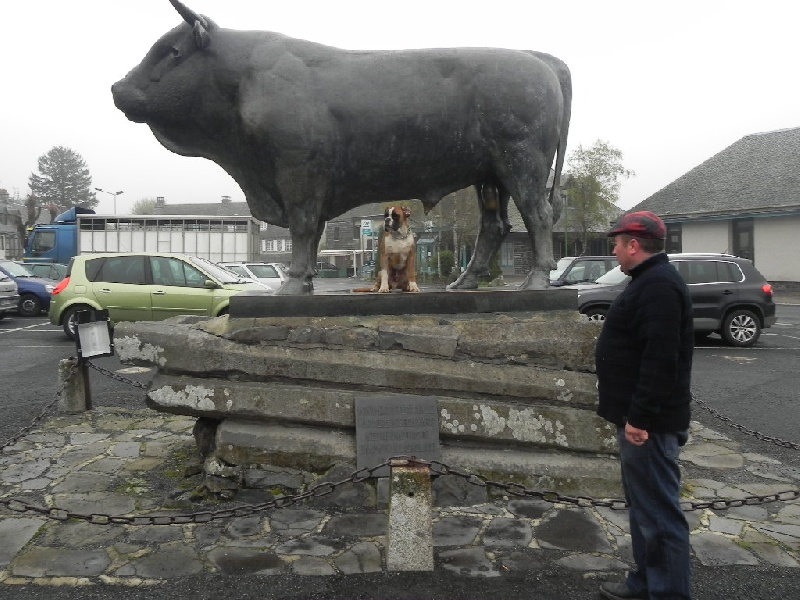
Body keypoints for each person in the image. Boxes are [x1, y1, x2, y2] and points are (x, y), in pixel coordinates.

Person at [595, 211, 694, 600]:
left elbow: (661, 358)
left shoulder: (657, 286)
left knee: (660, 516)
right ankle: (645, 584)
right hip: (640, 422)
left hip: (649, 426)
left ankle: (667, 593)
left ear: (634, 245)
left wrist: (639, 418)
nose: (615, 251)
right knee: (643, 511)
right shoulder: (648, 281)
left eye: (617, 244)